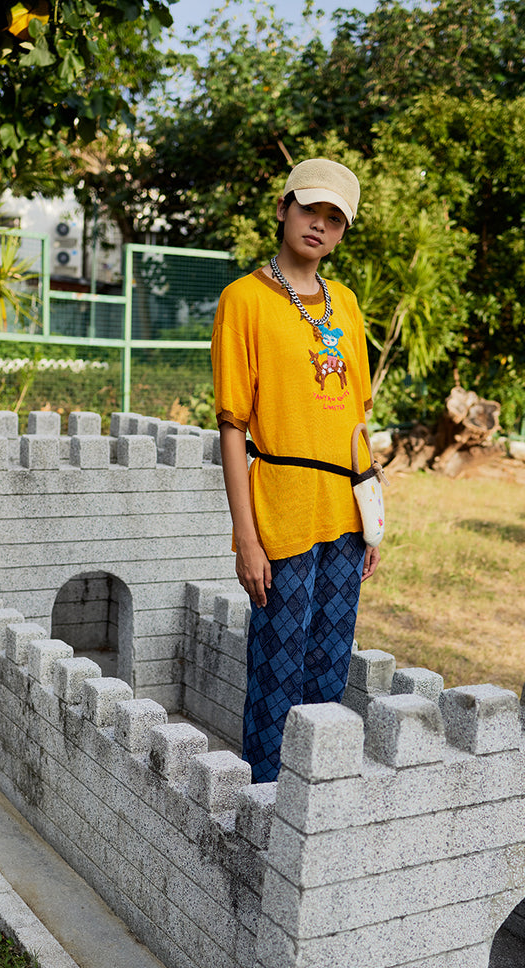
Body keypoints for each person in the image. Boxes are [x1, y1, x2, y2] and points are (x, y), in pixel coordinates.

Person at [211, 157, 380, 783]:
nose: (320, 226)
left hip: (343, 505)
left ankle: (314, 802)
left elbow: (359, 416)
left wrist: (373, 512)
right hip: (280, 505)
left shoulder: (347, 304)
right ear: (284, 208)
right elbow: (233, 425)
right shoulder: (244, 301)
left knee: (329, 666)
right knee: (277, 664)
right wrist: (246, 538)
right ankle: (261, 804)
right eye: (311, 209)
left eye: (335, 219)